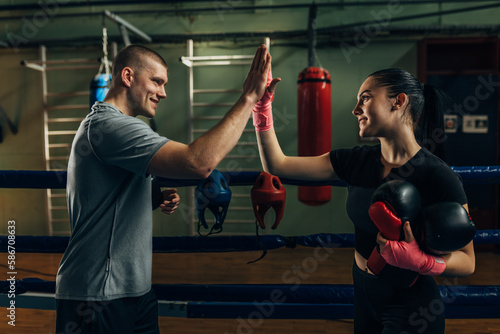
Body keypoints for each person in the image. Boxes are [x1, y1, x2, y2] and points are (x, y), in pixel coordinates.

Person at [55, 44, 272, 333]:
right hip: (97, 295)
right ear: (128, 76)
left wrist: (155, 196)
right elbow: (198, 163)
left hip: (136, 290)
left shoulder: (123, 126)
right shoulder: (108, 126)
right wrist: (249, 97)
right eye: (156, 81)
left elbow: (106, 195)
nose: (164, 92)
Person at [254, 67, 475, 333]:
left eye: (366, 98)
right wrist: (261, 107)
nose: (355, 109)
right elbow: (278, 165)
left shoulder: (438, 175)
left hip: (412, 305)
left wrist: (422, 261)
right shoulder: (356, 161)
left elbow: (468, 261)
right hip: (364, 295)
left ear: (399, 101)